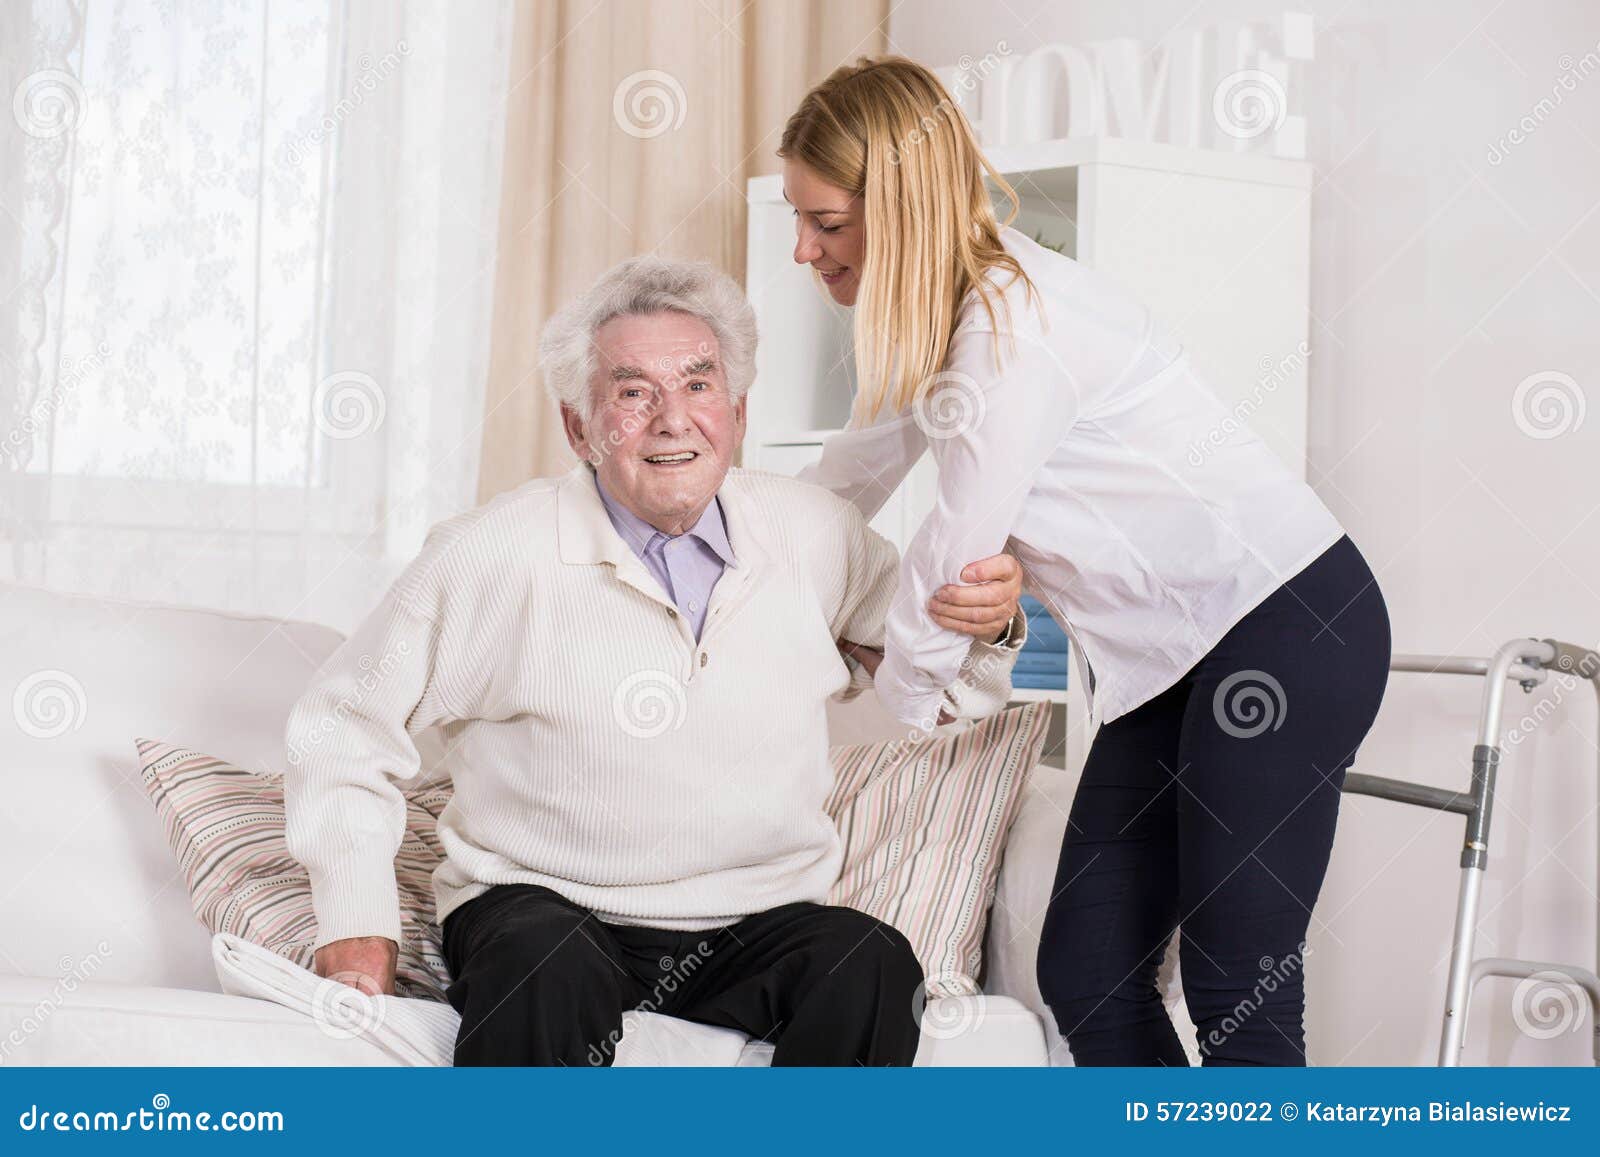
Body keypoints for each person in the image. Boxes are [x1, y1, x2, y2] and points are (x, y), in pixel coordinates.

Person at [778, 55, 1393, 1065]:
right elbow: (843, 483)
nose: (804, 248)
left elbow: (954, 553)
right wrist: (721, 574)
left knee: (1235, 985)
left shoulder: (1009, 328)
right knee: (1090, 971)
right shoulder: (937, 323)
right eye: (798, 221)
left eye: (826, 223)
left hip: (1282, 625)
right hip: (1167, 663)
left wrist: (883, 709)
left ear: (901, 208)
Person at [282, 256, 1026, 1066]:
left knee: (869, 962)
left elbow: (946, 691)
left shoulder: (816, 533)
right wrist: (356, 921)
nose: (673, 419)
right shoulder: (492, 552)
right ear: (579, 427)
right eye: (634, 392)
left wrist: (984, 625)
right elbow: (344, 724)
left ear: (736, 412)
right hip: (547, 904)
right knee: (543, 961)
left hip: (756, 916)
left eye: (698, 385)